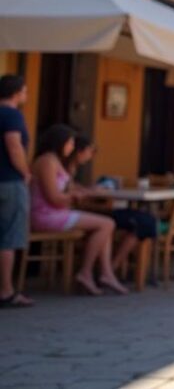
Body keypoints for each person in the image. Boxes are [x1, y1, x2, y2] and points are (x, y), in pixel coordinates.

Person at [29, 125, 127, 296]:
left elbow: (66, 190)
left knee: (105, 227)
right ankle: (86, 272)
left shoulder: (54, 161)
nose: (72, 147)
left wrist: (85, 192)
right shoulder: (47, 162)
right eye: (70, 143)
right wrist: (74, 197)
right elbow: (54, 198)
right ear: (59, 142)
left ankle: (105, 274)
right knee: (107, 224)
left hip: (57, 213)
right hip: (46, 216)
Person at [65, 137, 157, 280]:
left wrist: (90, 189)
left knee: (145, 221)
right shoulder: (65, 168)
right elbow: (69, 194)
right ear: (79, 151)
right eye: (90, 151)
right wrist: (92, 191)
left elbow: (74, 189)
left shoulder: (71, 169)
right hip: (82, 211)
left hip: (87, 209)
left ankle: (113, 269)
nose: (91, 156)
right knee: (144, 222)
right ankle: (112, 270)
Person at [0, 75, 33, 307]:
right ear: (16, 93)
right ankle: (6, 290)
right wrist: (25, 172)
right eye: (25, 91)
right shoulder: (12, 115)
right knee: (8, 238)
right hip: (9, 181)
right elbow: (14, 145)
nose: (26, 95)